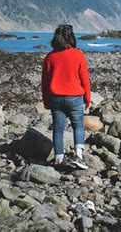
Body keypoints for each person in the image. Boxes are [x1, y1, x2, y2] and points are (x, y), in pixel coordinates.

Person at [41, 24, 91, 169]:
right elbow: (85, 79)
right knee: (78, 126)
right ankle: (79, 156)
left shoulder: (50, 57)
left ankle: (58, 159)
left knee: (58, 129)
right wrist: (87, 98)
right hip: (75, 97)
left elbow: (44, 82)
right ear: (71, 37)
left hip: (55, 98)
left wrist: (45, 100)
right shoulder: (78, 54)